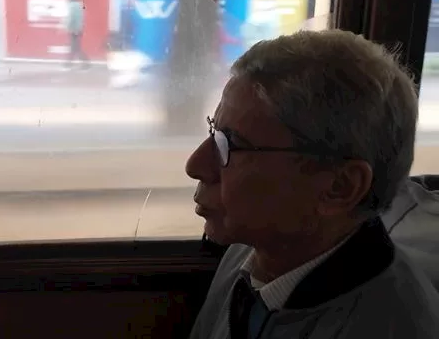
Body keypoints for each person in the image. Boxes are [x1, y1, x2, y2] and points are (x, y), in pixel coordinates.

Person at [185, 29, 439, 339]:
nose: (195, 165)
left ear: (339, 187)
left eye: (231, 145)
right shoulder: (252, 251)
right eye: (215, 133)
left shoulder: (394, 326)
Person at [64, 0, 89, 69]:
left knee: (75, 48)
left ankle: (85, 63)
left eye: (66, 0)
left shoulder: (72, 6)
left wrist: (67, 27)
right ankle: (69, 63)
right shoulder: (80, 5)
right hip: (78, 30)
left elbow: (70, 18)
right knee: (75, 48)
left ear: (69, 0)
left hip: (74, 30)